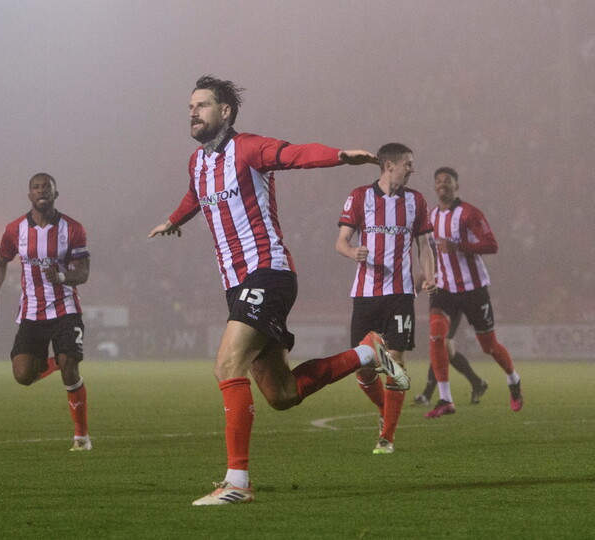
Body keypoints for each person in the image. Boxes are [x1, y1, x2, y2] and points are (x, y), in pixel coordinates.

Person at [148, 75, 407, 506]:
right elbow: (195, 197)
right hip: (237, 285)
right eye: (189, 106)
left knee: (227, 365)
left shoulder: (247, 148)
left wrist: (340, 156)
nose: (192, 112)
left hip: (267, 272)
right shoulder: (197, 163)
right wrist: (175, 220)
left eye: (202, 105)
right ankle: (369, 352)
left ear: (225, 112)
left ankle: (237, 483)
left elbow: (294, 155)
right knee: (282, 395)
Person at [336, 143, 436, 454]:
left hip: (401, 294)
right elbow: (341, 241)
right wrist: (354, 252)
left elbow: (424, 246)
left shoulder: (416, 200)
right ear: (389, 165)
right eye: (408, 163)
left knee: (396, 360)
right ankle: (385, 410)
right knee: (364, 368)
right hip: (365, 294)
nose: (413, 169)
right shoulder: (359, 196)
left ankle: (387, 437)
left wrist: (429, 275)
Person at [0, 173, 93, 451]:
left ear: (56, 194)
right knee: (22, 375)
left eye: (47, 187)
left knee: (71, 370)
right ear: (29, 195)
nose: (41, 191)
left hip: (65, 309)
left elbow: (83, 272)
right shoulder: (14, 229)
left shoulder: (73, 229)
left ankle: (81, 437)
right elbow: (0, 263)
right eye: (36, 187)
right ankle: (59, 361)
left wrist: (64, 277)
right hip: (31, 313)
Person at [421, 167, 523, 418]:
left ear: (457, 186)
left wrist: (459, 247)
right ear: (434, 187)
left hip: (473, 289)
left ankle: (513, 379)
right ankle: (445, 399)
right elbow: (430, 253)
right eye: (438, 181)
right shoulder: (430, 216)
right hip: (444, 289)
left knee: (488, 346)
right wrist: (422, 277)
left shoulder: (469, 213)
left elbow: (492, 245)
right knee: (437, 336)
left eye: (447, 181)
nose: (442, 185)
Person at [412, 310, 488, 406]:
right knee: (448, 352)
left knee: (441, 348)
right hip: (443, 312)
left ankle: (427, 395)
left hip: (446, 312)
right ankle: (477, 382)